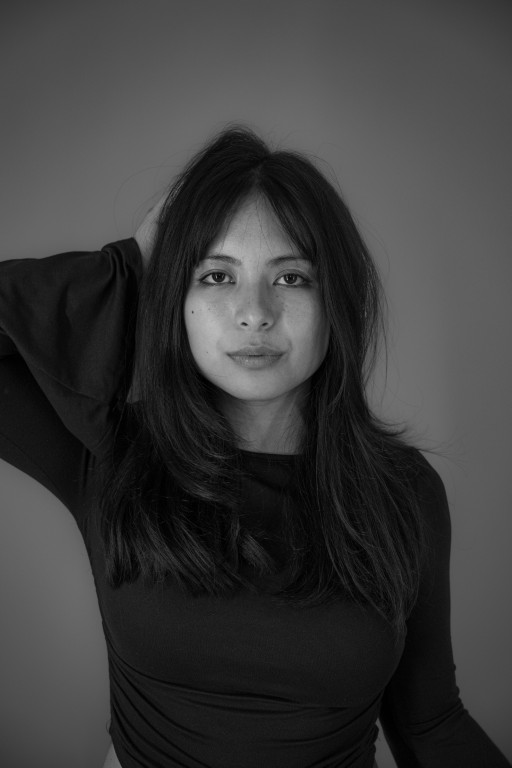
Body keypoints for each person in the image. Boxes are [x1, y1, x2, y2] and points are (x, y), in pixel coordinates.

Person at [0, 127, 509, 768]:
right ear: (173, 298)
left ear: (336, 302)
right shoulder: (114, 453)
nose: (254, 313)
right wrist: (132, 262)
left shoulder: (402, 489)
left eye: (291, 277)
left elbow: (430, 723)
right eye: (216, 275)